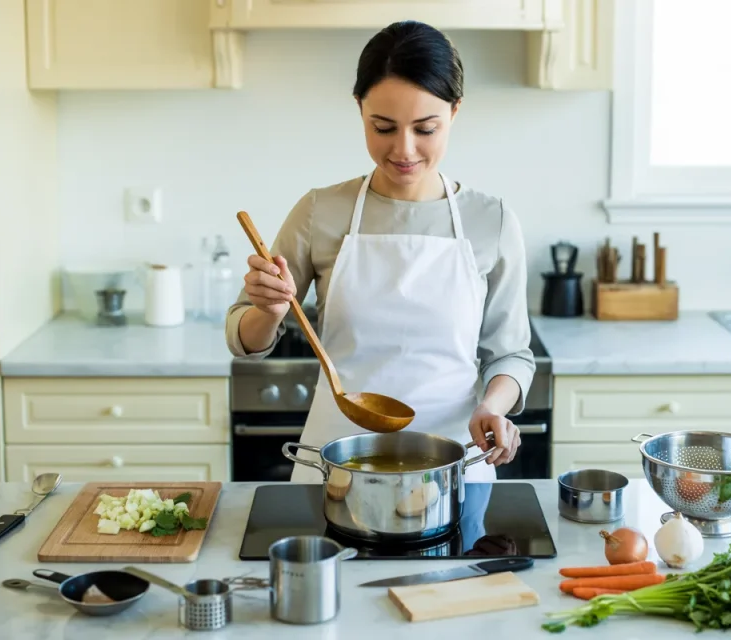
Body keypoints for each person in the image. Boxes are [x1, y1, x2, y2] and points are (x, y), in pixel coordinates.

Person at [225, 20, 535, 483]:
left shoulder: (492, 220)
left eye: (425, 128)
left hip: (454, 462)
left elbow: (510, 354)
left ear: (455, 111)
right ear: (359, 109)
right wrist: (268, 311)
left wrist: (493, 406)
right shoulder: (319, 211)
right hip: (336, 460)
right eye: (383, 127)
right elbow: (243, 339)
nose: (404, 150)